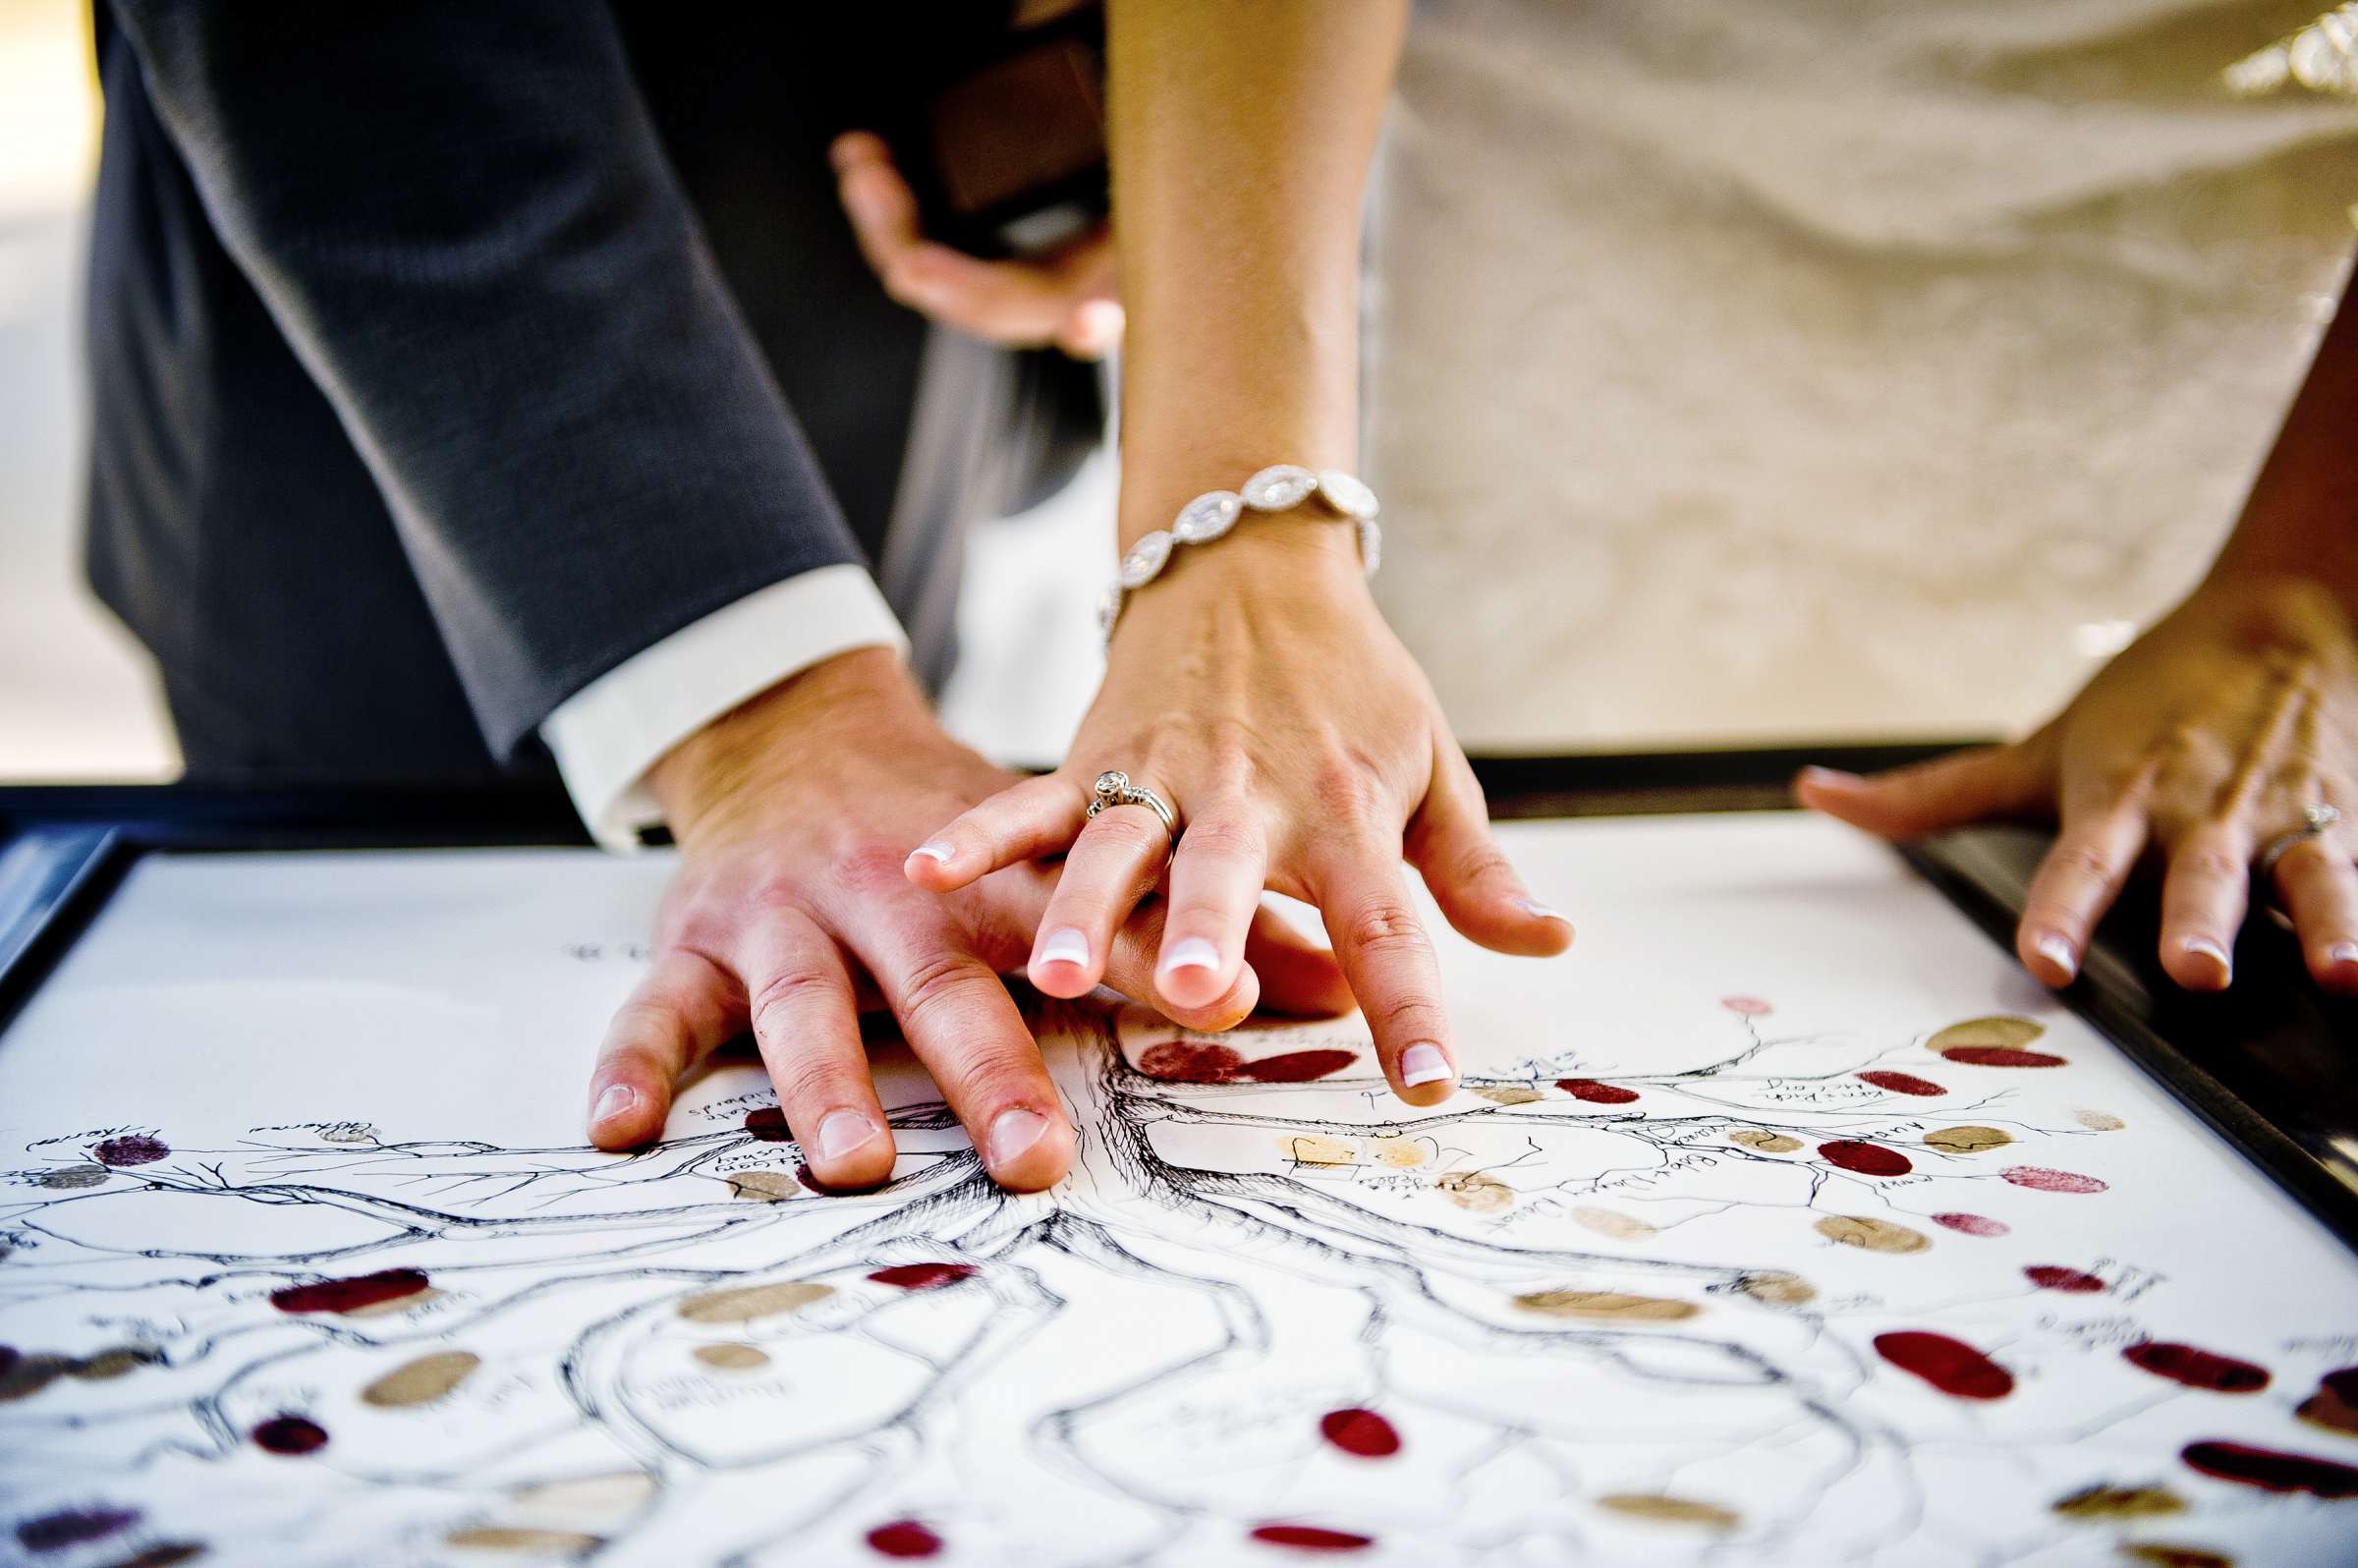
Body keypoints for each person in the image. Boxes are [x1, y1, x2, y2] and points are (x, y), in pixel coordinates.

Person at [84, 1, 1558, 1199]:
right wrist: (765, 713)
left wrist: (1233, 468)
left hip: (916, 263)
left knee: (899, 861)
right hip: (426, 425)